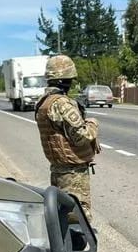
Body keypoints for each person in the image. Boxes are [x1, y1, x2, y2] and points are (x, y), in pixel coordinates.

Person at [35, 54, 100, 221]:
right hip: (73, 175)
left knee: (62, 216)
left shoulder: (43, 102)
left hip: (57, 170)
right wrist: (92, 124)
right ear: (67, 79)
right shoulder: (62, 103)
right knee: (77, 218)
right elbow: (81, 136)